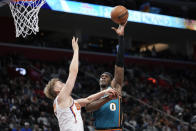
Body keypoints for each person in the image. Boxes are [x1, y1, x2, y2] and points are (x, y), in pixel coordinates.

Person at [44, 36, 118, 131]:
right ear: (56, 90)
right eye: (59, 83)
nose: (63, 83)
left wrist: (105, 93)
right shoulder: (61, 98)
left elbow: (88, 100)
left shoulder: (68, 102)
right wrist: (76, 50)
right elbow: (73, 73)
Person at [85, 22, 127, 131]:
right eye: (101, 76)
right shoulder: (95, 96)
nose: (103, 77)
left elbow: (119, 66)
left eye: (106, 76)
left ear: (111, 80)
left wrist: (121, 38)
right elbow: (88, 108)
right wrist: (106, 98)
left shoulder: (115, 88)